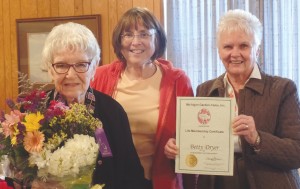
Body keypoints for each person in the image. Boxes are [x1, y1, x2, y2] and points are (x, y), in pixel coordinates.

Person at [164, 9, 300, 189]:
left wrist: (257, 138)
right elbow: (194, 147)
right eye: (228, 47)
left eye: (244, 46)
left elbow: (296, 152)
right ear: (219, 51)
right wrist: (176, 150)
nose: (235, 54)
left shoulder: (282, 89)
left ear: (257, 50)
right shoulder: (205, 89)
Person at [90, 7, 194, 189]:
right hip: (113, 180)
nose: (135, 42)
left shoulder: (178, 81)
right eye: (128, 35)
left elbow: (191, 133)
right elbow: (90, 124)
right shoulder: (99, 76)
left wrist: (179, 145)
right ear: (119, 41)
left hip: (159, 180)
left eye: (144, 34)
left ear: (157, 39)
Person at [36, 22, 145, 189]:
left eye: (81, 65)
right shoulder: (33, 113)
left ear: (94, 67)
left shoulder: (113, 112)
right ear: (50, 70)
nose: (70, 75)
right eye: (61, 65)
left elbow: (132, 176)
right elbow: (14, 174)